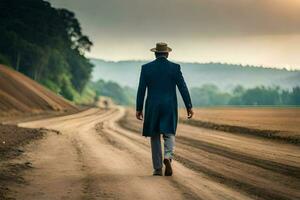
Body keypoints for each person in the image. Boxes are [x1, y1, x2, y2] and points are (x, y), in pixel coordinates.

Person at [136, 42, 194, 176]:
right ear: (167, 54)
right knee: (169, 133)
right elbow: (183, 88)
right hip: (169, 105)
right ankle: (167, 156)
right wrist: (189, 106)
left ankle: (157, 168)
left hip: (152, 106)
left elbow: (141, 90)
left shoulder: (146, 68)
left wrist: (139, 108)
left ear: (155, 53)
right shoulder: (175, 68)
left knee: (155, 135)